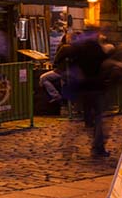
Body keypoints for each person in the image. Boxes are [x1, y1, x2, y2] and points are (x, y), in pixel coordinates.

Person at [63, 25, 110, 157]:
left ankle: (70, 146)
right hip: (96, 87)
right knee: (99, 117)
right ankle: (97, 147)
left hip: (83, 88)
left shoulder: (79, 48)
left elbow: (71, 62)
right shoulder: (97, 48)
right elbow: (104, 65)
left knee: (88, 117)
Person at [39, 33, 71, 104]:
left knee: (43, 78)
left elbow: (56, 60)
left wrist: (54, 65)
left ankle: (56, 96)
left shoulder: (64, 48)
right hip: (74, 73)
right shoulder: (78, 47)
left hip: (62, 72)